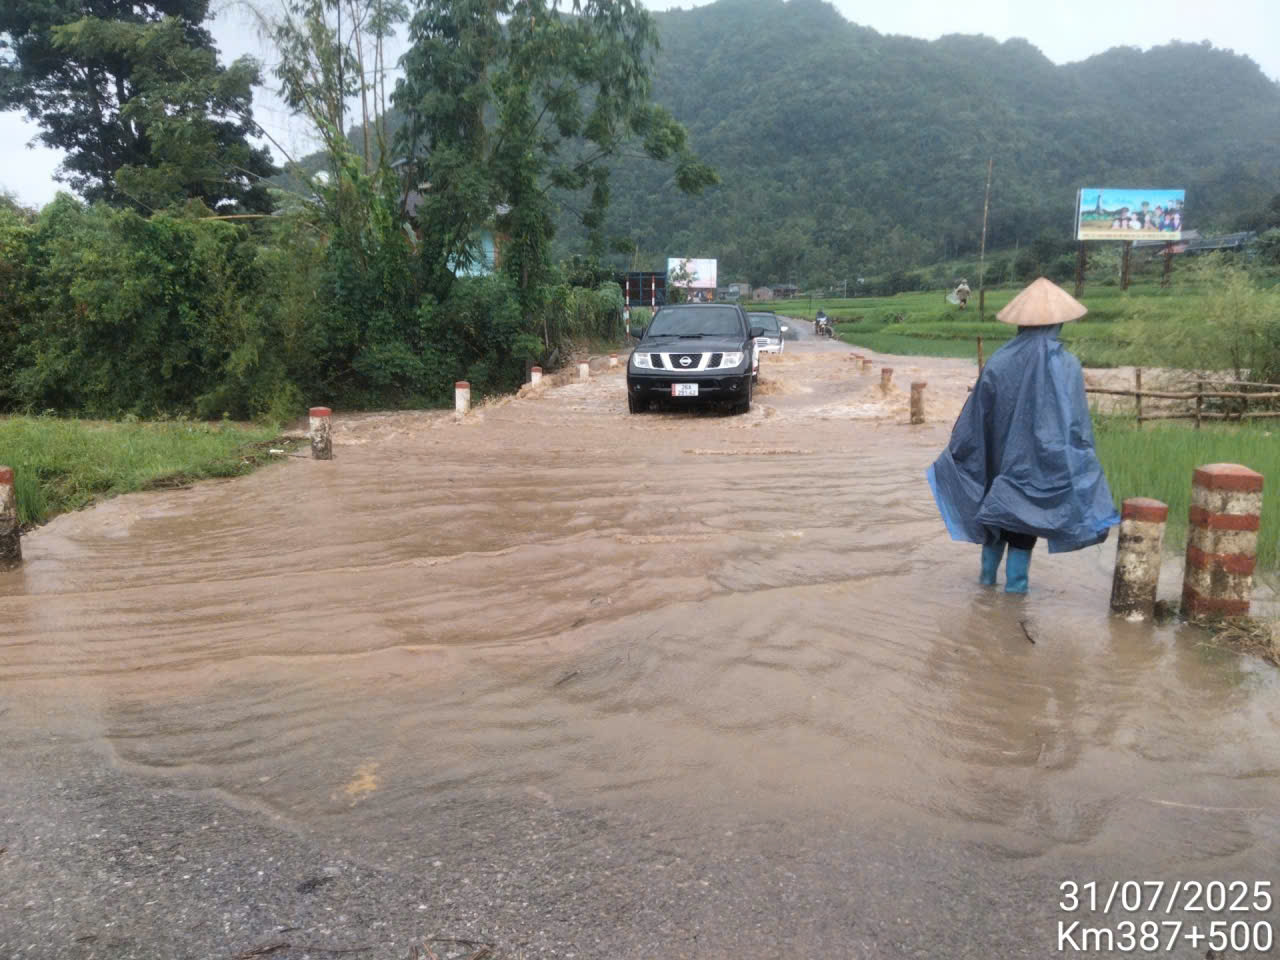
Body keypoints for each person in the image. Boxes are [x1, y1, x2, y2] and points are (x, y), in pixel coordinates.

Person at [926, 278, 1120, 594]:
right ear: (1058, 322)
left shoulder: (1000, 361)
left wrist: (967, 457)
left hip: (1000, 466)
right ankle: (1013, 610)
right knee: (1024, 528)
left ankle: (986, 591)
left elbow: (976, 418)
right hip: (1041, 467)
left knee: (997, 526)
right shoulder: (1066, 365)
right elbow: (1075, 426)